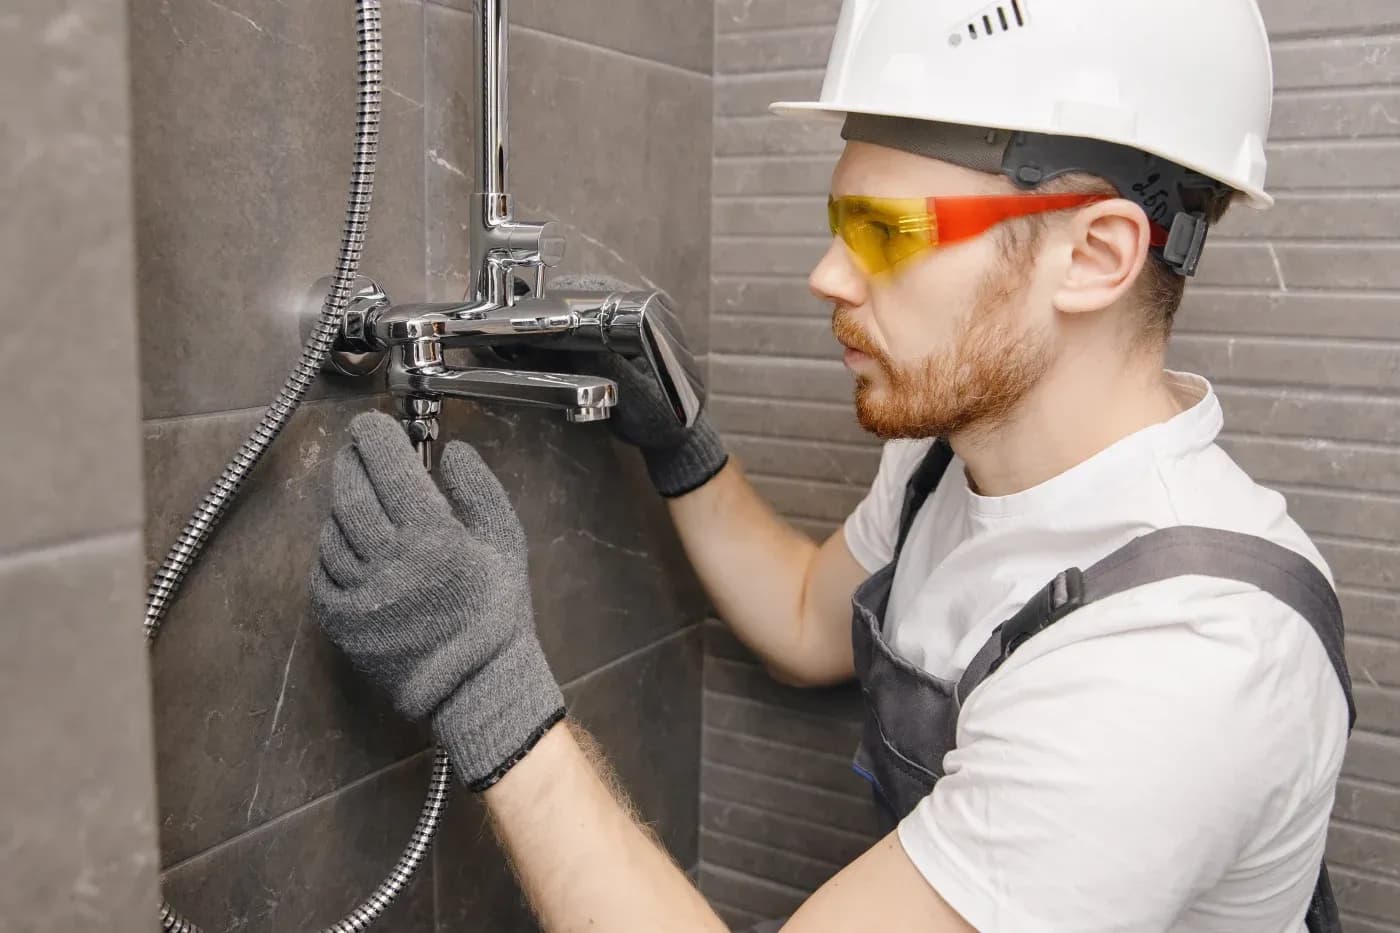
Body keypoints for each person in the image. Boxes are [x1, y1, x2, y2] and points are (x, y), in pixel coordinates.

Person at [309, 0, 1354, 929]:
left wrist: (487, 686)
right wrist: (679, 443)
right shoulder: (951, 456)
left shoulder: (1185, 659)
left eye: (885, 232)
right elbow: (809, 620)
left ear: (1094, 256)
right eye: (837, 225)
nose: (827, 276)